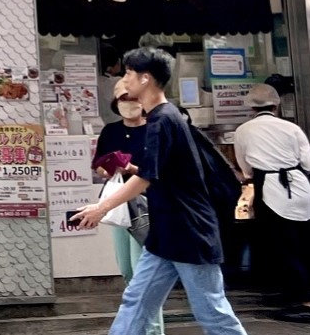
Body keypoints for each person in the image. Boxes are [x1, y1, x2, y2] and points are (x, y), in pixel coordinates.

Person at [72, 48, 248, 335]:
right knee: (136, 301)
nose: (124, 79)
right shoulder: (165, 117)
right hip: (166, 233)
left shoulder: (162, 120)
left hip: (189, 232)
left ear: (145, 79)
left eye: (129, 73)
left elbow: (145, 177)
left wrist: (101, 208)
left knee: (212, 312)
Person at [232, 83, 310, 322]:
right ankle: (306, 297)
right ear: (276, 105)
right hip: (299, 187)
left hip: (270, 188)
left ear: (251, 108)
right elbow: (309, 163)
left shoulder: (243, 131)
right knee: (303, 244)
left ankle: (304, 302)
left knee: (283, 247)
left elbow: (246, 169)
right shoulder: (292, 128)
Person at [91, 80, 162, 335]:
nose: (128, 104)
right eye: (123, 100)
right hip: (119, 204)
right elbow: (99, 166)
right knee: (127, 269)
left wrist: (131, 168)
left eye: (132, 98)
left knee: (143, 271)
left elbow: (157, 170)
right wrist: (107, 169)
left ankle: (152, 331)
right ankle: (140, 328)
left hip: (147, 204)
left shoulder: (155, 129)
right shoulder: (111, 131)